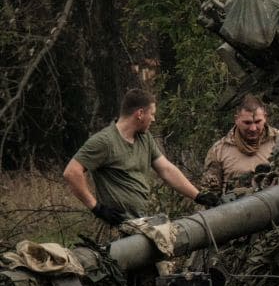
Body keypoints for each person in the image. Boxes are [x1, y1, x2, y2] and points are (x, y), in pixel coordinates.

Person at [63, 88, 220, 227]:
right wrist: (97, 208)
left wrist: (198, 196)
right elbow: (71, 172)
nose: (153, 119)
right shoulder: (104, 141)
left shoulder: (145, 138)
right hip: (117, 225)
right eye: (152, 114)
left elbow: (166, 170)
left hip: (142, 222)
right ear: (139, 114)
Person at [199, 94, 279, 196]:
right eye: (247, 123)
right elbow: (210, 196)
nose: (253, 128)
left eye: (257, 122)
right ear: (236, 119)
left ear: (265, 117)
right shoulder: (219, 151)